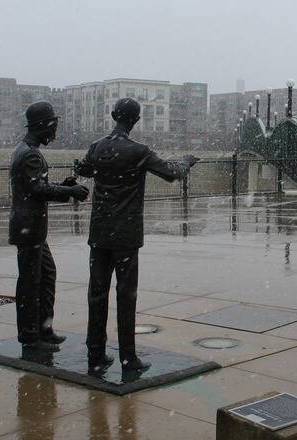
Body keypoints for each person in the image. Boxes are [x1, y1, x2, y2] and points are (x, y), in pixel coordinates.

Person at [77, 97, 199, 371]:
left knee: (96, 294)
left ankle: (95, 354)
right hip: (126, 234)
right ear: (136, 120)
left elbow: (85, 169)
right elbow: (172, 173)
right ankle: (128, 356)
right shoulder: (138, 151)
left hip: (99, 232)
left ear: (112, 115)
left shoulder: (97, 146)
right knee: (126, 295)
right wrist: (187, 162)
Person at [10, 101, 90, 350]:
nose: (55, 133)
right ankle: (31, 336)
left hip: (31, 229)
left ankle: (44, 329)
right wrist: (70, 190)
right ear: (42, 126)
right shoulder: (30, 153)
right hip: (29, 229)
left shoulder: (25, 149)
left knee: (45, 276)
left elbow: (35, 185)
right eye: (53, 126)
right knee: (30, 283)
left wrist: (63, 185)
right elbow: (36, 189)